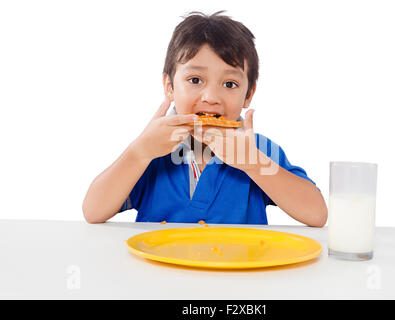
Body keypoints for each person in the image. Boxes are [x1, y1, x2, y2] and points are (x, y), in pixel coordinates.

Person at [82, 11, 327, 226]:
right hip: (161, 276)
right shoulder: (152, 153)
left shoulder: (256, 150)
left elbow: (316, 214)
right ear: (169, 87)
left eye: (229, 84)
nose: (211, 97)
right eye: (195, 80)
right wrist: (139, 152)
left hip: (237, 276)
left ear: (248, 95)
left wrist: (254, 164)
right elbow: (93, 212)